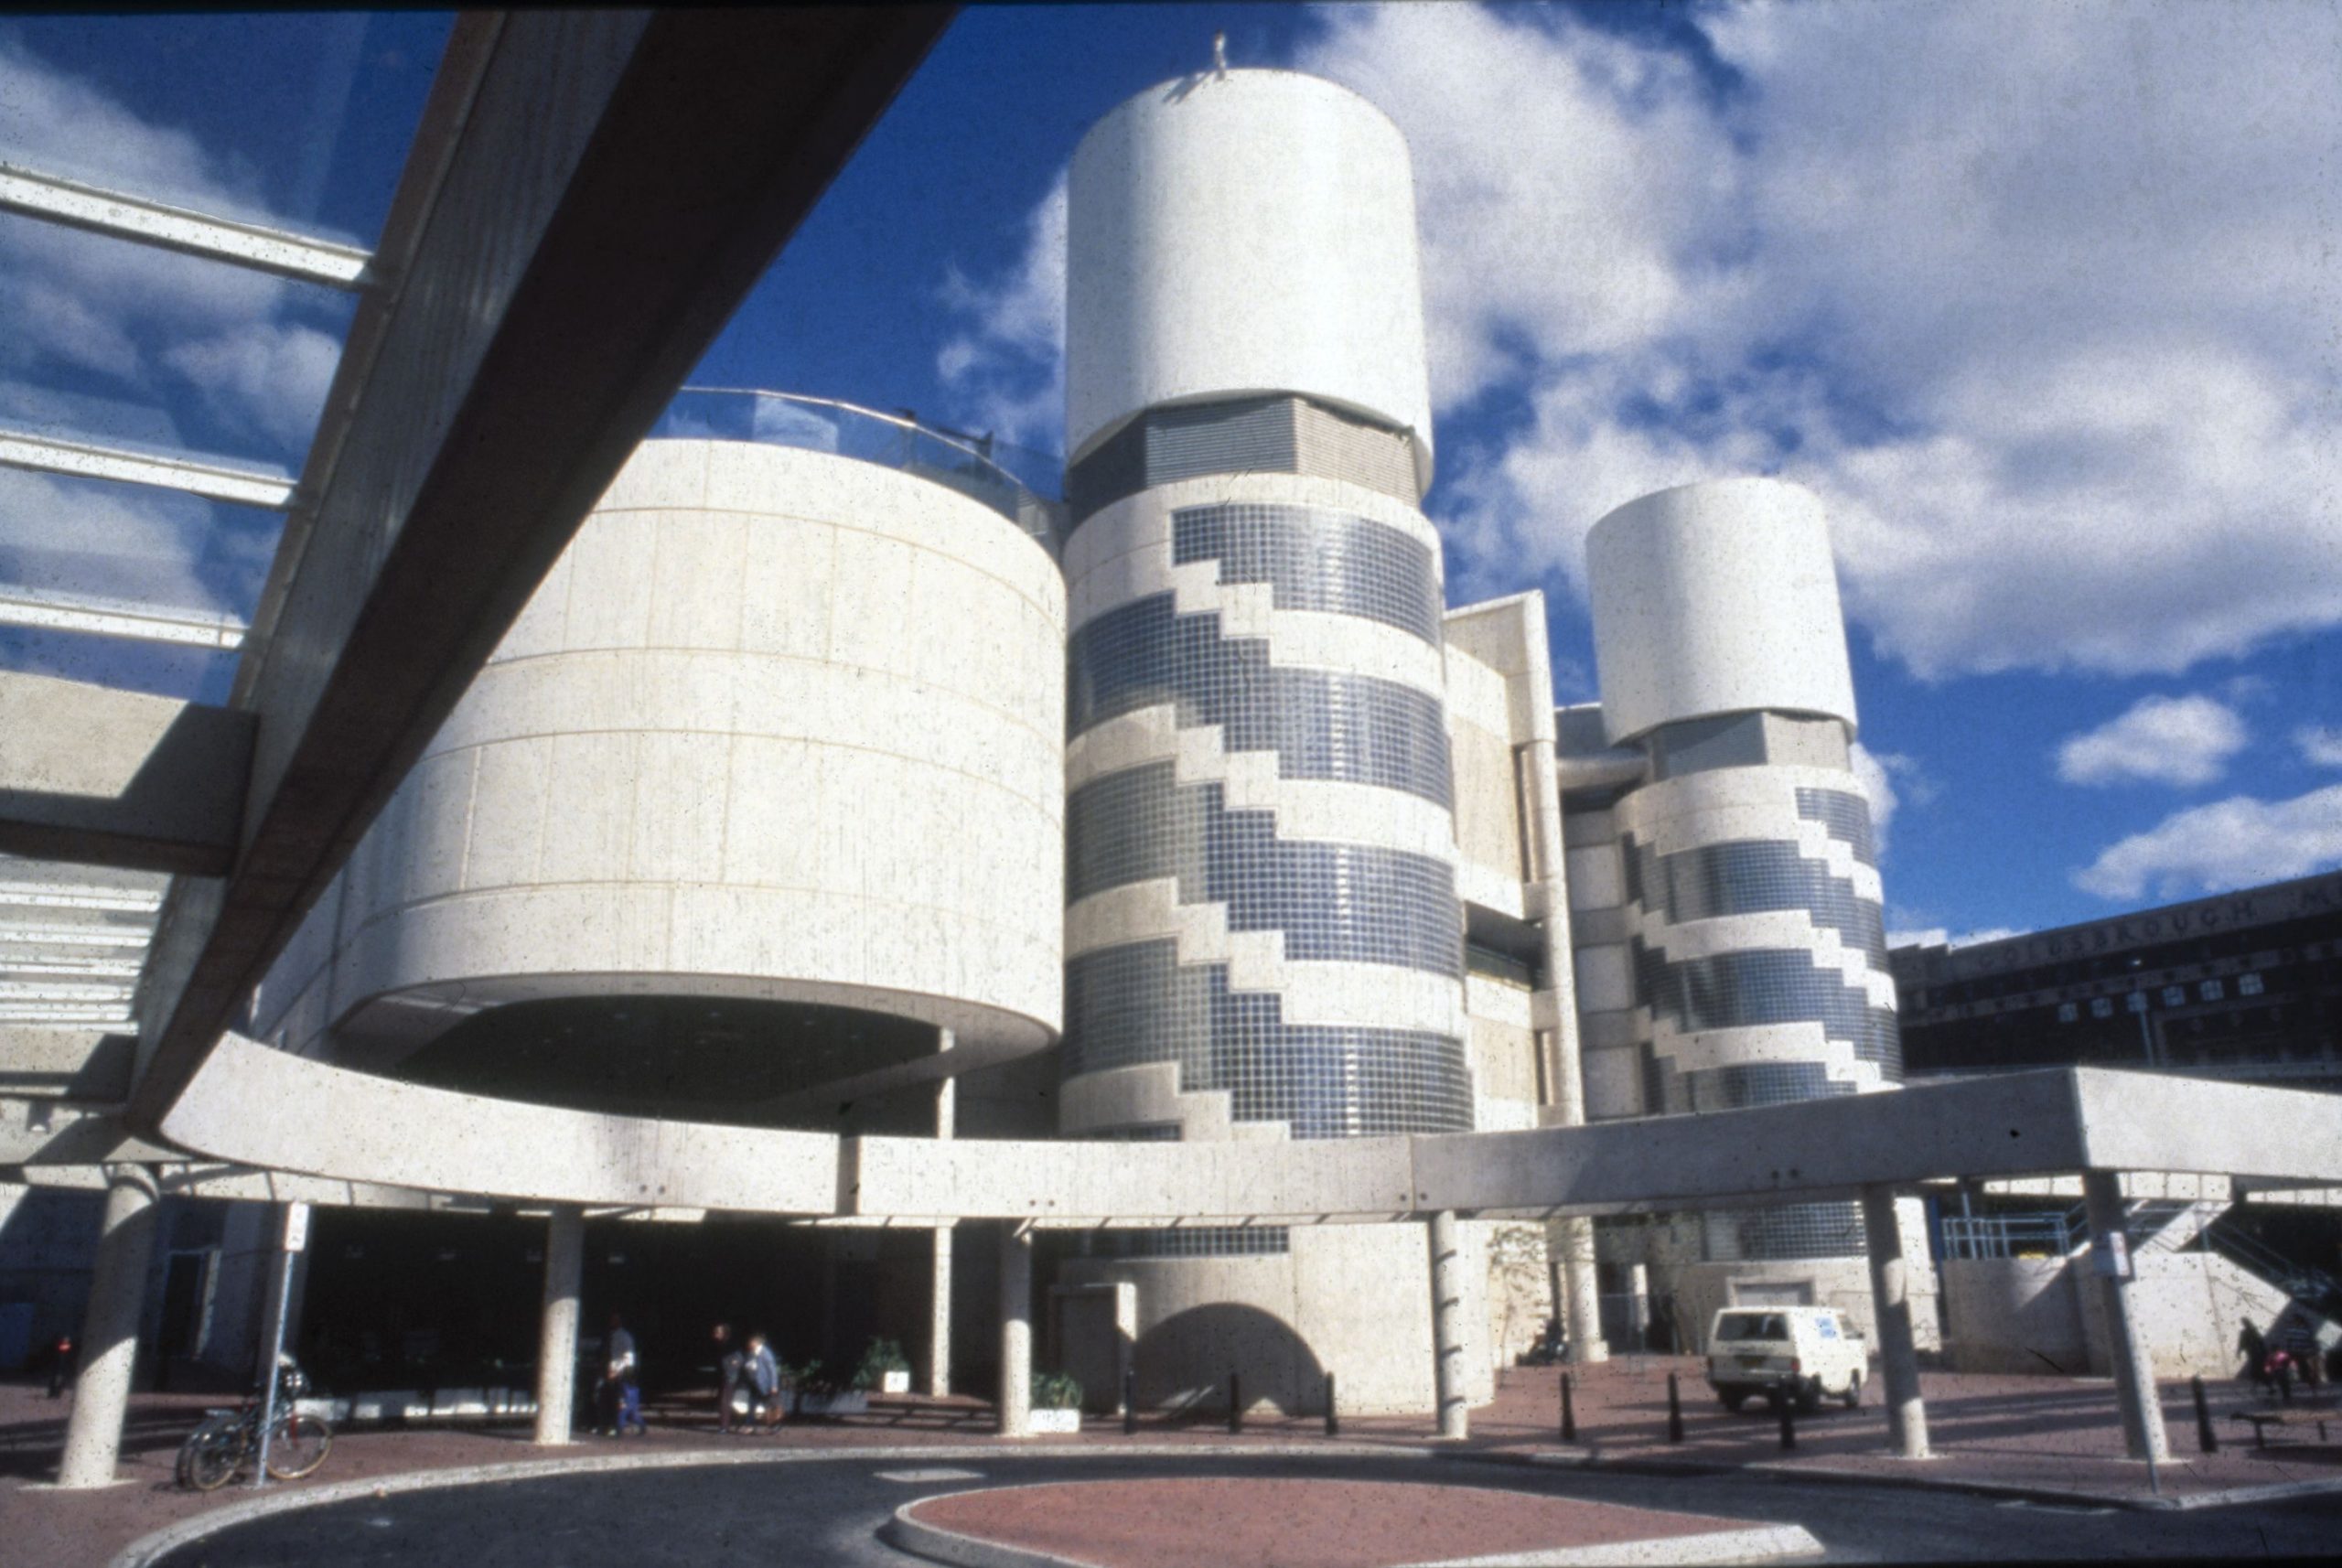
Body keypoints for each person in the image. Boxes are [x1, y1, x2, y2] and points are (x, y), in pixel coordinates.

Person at [599, 1313, 646, 1436]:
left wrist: (617, 1371)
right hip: (615, 1371)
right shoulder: (612, 1336)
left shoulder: (624, 1336)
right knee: (618, 1401)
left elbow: (627, 1357)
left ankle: (619, 1426)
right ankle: (617, 1425)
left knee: (622, 1401)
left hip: (621, 1373)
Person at [744, 1331, 782, 1430]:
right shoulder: (752, 1352)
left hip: (765, 1385)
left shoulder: (766, 1353)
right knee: (751, 1405)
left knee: (769, 1407)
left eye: (751, 1342)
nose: (749, 1343)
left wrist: (774, 1385)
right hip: (754, 1384)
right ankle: (750, 1426)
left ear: (756, 1342)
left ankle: (773, 1426)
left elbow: (772, 1371)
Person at [714, 1323, 745, 1434]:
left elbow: (739, 1359)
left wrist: (731, 1367)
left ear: (724, 1333)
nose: (715, 1335)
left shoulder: (731, 1345)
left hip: (730, 1376)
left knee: (725, 1401)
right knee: (725, 1401)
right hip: (726, 1375)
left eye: (718, 1332)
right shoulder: (722, 1344)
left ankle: (724, 1426)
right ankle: (727, 1424)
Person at [2238, 1317, 2270, 1392]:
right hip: (2255, 1353)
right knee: (2258, 1371)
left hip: (2254, 1353)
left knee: (2257, 1371)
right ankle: (2259, 1387)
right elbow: (2260, 1341)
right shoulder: (2253, 1331)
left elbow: (2241, 1343)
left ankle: (2257, 1387)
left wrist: (2239, 1352)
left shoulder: (2246, 1332)